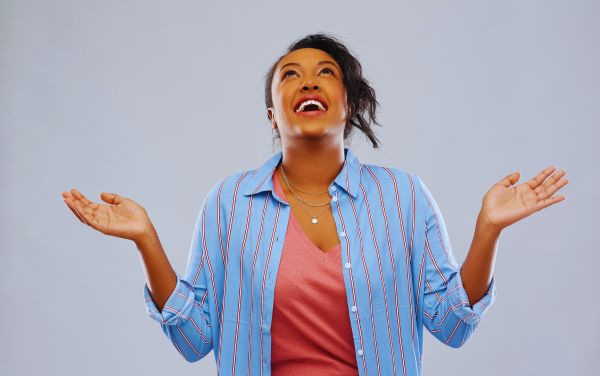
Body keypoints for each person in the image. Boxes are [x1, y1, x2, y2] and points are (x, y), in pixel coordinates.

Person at [61, 33, 570, 376]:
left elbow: (452, 326)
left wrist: (487, 231)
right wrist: (146, 239)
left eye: (326, 73)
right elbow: (195, 340)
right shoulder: (228, 204)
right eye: (290, 75)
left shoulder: (404, 197)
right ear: (271, 113)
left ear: (348, 103)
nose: (307, 81)